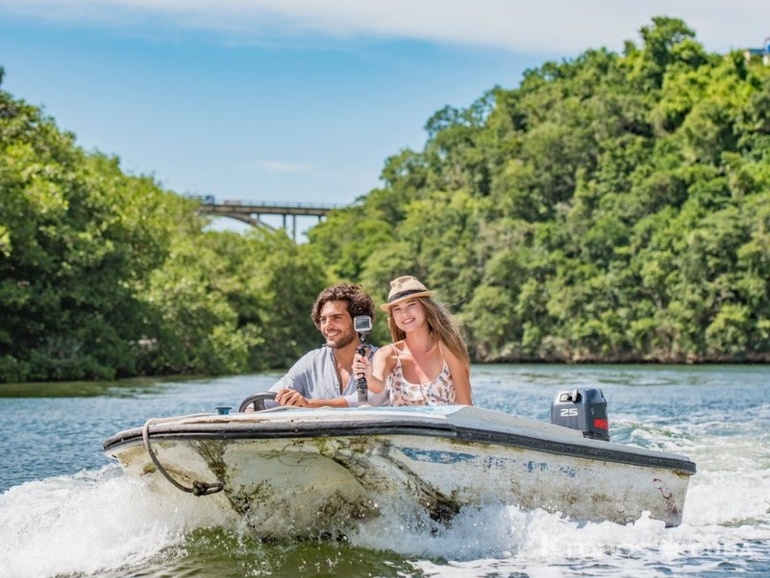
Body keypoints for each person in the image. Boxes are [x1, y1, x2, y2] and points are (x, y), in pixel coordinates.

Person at [252, 282, 385, 409]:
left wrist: (307, 404)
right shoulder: (311, 361)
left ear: (357, 321)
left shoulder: (383, 360)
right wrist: (251, 410)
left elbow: (364, 401)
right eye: (323, 320)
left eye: (336, 318)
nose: (327, 326)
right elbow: (267, 401)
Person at [354, 275, 473, 406]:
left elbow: (465, 405)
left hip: (444, 426)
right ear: (393, 316)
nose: (404, 314)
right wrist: (367, 374)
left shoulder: (447, 348)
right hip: (401, 427)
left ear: (426, 308)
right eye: (397, 309)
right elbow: (376, 386)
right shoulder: (388, 354)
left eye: (411, 305)